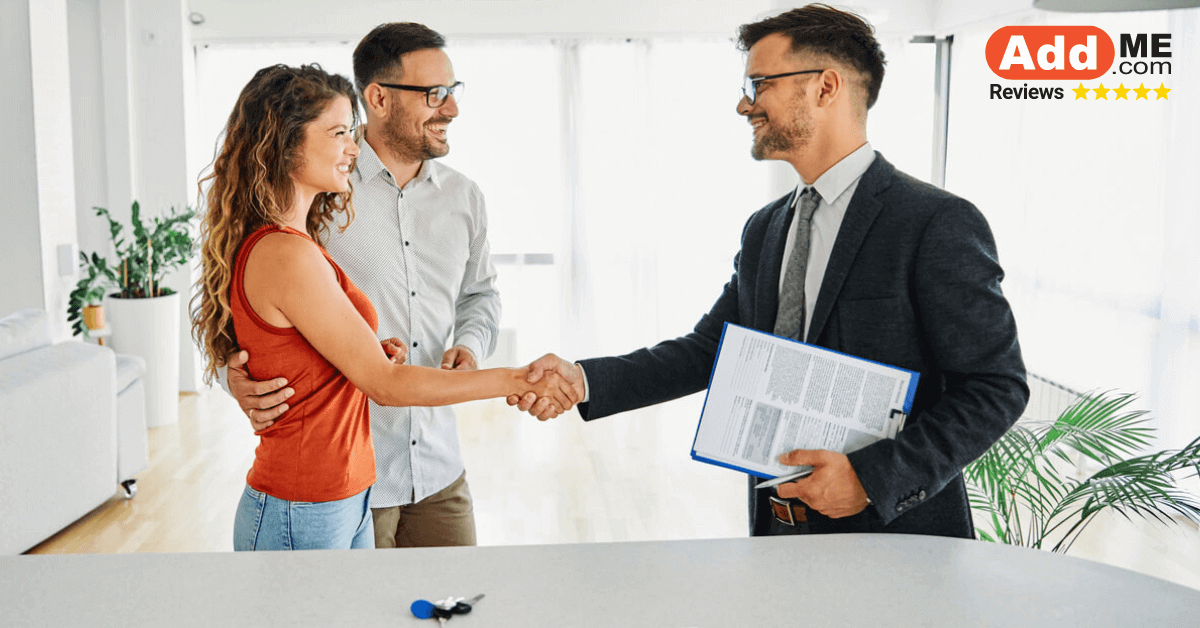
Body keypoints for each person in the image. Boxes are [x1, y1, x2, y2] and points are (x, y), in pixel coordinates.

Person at [511, 4, 1029, 538]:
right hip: (779, 524)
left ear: (825, 87)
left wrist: (871, 478)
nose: (744, 104)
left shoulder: (934, 221)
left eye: (759, 84)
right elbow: (714, 348)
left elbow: (996, 386)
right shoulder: (767, 228)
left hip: (895, 532)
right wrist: (585, 379)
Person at [192, 63, 575, 551]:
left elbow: (318, 355)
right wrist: (517, 379)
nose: (353, 147)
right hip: (303, 504)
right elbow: (386, 385)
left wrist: (367, 349)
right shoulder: (286, 253)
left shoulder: (299, 242)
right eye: (337, 133)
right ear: (285, 144)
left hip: (343, 493)